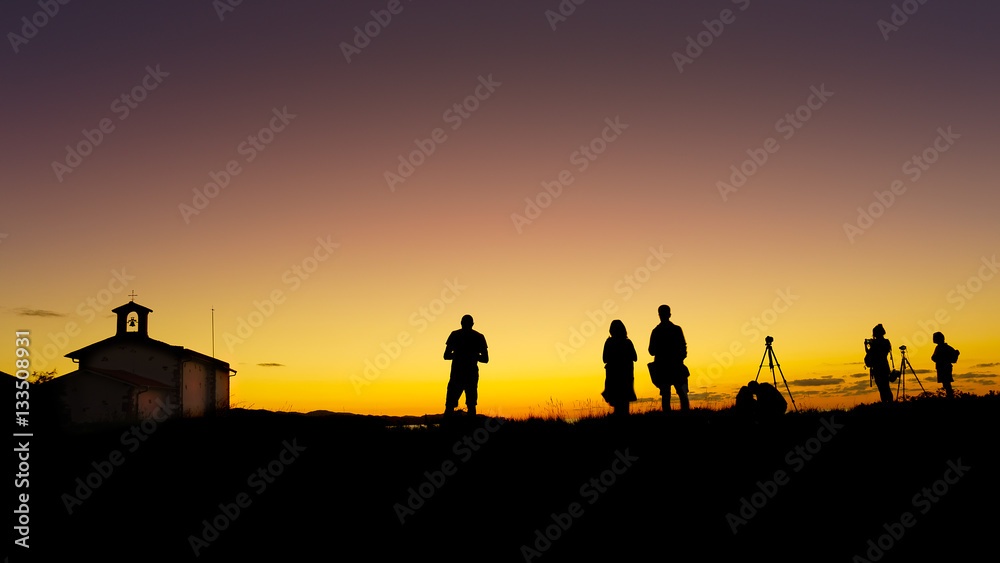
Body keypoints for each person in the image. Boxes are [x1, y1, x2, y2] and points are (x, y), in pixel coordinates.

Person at [444, 315, 488, 417]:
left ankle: (447, 429)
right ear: (472, 324)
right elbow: (485, 359)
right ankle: (470, 429)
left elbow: (446, 356)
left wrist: (462, 355)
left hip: (460, 375)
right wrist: (472, 356)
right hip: (466, 375)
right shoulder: (479, 337)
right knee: (469, 405)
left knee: (453, 405)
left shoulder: (455, 335)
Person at [649, 305, 689, 412]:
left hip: (663, 367)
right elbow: (684, 347)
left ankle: (668, 418)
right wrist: (680, 359)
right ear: (670, 314)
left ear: (659, 315)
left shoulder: (656, 331)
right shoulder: (677, 329)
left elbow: (651, 351)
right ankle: (686, 417)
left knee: (666, 395)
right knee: (682, 393)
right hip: (676, 366)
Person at [602, 320, 638, 418]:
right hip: (626, 374)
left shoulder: (609, 342)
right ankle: (624, 416)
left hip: (613, 374)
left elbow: (604, 359)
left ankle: (618, 416)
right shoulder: (628, 342)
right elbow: (635, 357)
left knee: (616, 396)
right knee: (625, 397)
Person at [865, 324, 894, 404]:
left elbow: (870, 354)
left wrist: (867, 346)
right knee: (886, 387)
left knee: (882, 388)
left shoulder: (876, 344)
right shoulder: (886, 342)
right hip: (885, 367)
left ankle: (886, 403)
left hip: (878, 368)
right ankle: (890, 403)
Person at [931, 332, 959, 399]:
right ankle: (949, 396)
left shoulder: (941, 348)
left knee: (946, 384)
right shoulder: (946, 347)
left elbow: (934, 358)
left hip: (943, 368)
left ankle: (950, 397)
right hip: (944, 367)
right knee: (946, 384)